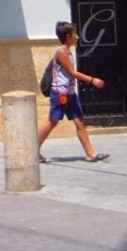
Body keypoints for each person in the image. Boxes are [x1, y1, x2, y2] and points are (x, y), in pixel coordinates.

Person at [37, 20, 109, 164]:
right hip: (60, 94)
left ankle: (91, 153)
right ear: (68, 35)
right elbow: (72, 73)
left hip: (69, 93)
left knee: (80, 121)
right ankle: (32, 150)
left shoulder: (68, 51)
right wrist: (92, 80)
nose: (77, 36)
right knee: (53, 121)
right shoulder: (61, 52)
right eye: (75, 33)